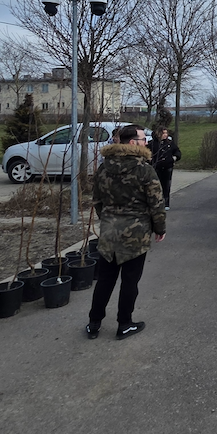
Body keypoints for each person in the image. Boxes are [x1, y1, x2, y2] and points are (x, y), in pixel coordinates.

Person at [86, 124, 166, 340]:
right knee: (130, 281)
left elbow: (97, 200)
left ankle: (94, 323)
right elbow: (156, 203)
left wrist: (108, 219)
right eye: (143, 139)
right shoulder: (144, 170)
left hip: (110, 232)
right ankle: (124, 324)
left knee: (105, 279)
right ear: (132, 143)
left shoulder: (104, 168)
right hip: (136, 234)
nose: (146, 142)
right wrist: (160, 228)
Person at [147, 126, 181, 209]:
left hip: (167, 167)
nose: (165, 135)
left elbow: (177, 151)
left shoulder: (170, 143)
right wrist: (150, 160)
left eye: (166, 133)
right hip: (156, 167)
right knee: (155, 185)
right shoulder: (152, 144)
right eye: (163, 133)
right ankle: (156, 202)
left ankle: (166, 203)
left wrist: (174, 158)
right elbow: (147, 153)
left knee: (166, 186)